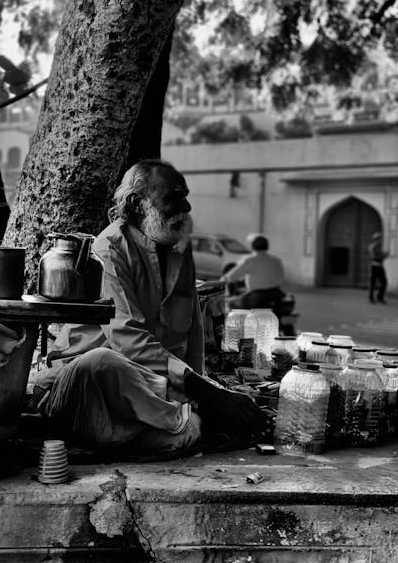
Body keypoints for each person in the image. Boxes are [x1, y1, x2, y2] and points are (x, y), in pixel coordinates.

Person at [33, 159, 267, 456]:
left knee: (199, 419)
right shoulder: (109, 248)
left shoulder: (180, 250)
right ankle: (179, 424)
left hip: (150, 396)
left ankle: (172, 427)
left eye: (185, 197)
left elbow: (192, 339)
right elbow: (129, 342)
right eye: (172, 198)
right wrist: (207, 395)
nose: (185, 208)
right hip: (86, 391)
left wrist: (206, 393)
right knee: (102, 361)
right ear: (137, 204)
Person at [221, 233, 285, 309]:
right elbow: (281, 278)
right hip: (277, 294)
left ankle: (244, 321)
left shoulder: (250, 259)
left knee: (231, 303)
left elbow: (232, 276)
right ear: (267, 246)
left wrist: (222, 280)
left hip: (257, 296)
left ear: (253, 246)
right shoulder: (276, 260)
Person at [368, 232, 388, 304]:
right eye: (379, 239)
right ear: (376, 239)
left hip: (380, 266)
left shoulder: (379, 247)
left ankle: (380, 297)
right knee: (373, 283)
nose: (380, 240)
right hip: (374, 266)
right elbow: (373, 257)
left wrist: (384, 255)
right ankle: (371, 298)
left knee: (384, 282)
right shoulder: (372, 247)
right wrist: (383, 256)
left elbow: (381, 255)